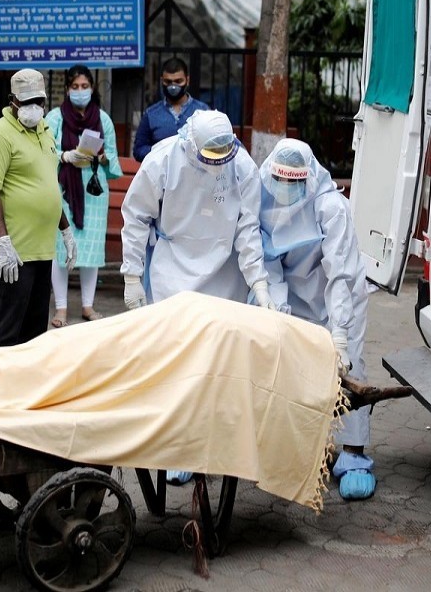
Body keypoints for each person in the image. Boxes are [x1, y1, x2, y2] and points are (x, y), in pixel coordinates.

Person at [120, 109, 275, 485]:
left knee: (219, 365)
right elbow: (136, 216)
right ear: (191, 143)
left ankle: (221, 445)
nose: (216, 163)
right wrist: (131, 276)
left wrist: (260, 285)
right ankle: (180, 447)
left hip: (224, 273)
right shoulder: (163, 160)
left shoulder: (241, 167)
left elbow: (248, 230)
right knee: (178, 365)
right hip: (174, 270)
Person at [256, 138, 374, 500]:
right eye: (281, 179)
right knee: (295, 371)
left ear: (308, 178)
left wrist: (339, 333)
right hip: (294, 297)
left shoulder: (331, 207)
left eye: (295, 182)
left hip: (339, 298)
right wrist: (278, 310)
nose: (287, 189)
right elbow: (268, 264)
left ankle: (354, 455)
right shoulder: (263, 200)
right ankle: (301, 448)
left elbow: (340, 273)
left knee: (347, 370)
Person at [0, 69, 77, 348]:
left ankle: (23, 389)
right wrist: (4, 242)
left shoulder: (46, 132)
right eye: (27, 101)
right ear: (13, 101)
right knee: (4, 331)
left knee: (33, 334)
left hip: (42, 252)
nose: (34, 107)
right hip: (14, 256)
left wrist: (67, 231)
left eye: (39, 101)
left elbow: (48, 187)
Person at [44, 65, 122, 328]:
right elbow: (43, 151)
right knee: (61, 248)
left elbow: (112, 155)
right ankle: (62, 308)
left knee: (90, 249)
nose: (80, 92)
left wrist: (101, 157)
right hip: (63, 188)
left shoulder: (103, 119)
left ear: (92, 88)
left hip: (93, 189)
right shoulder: (55, 118)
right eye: (75, 87)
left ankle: (88, 306)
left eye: (84, 87)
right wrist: (66, 156)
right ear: (67, 89)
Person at [132, 57, 209, 162]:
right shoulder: (151, 114)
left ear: (187, 80)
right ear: (161, 81)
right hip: (161, 175)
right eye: (168, 82)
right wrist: (163, 151)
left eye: (178, 81)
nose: (173, 86)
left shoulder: (203, 111)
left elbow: (212, 145)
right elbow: (138, 150)